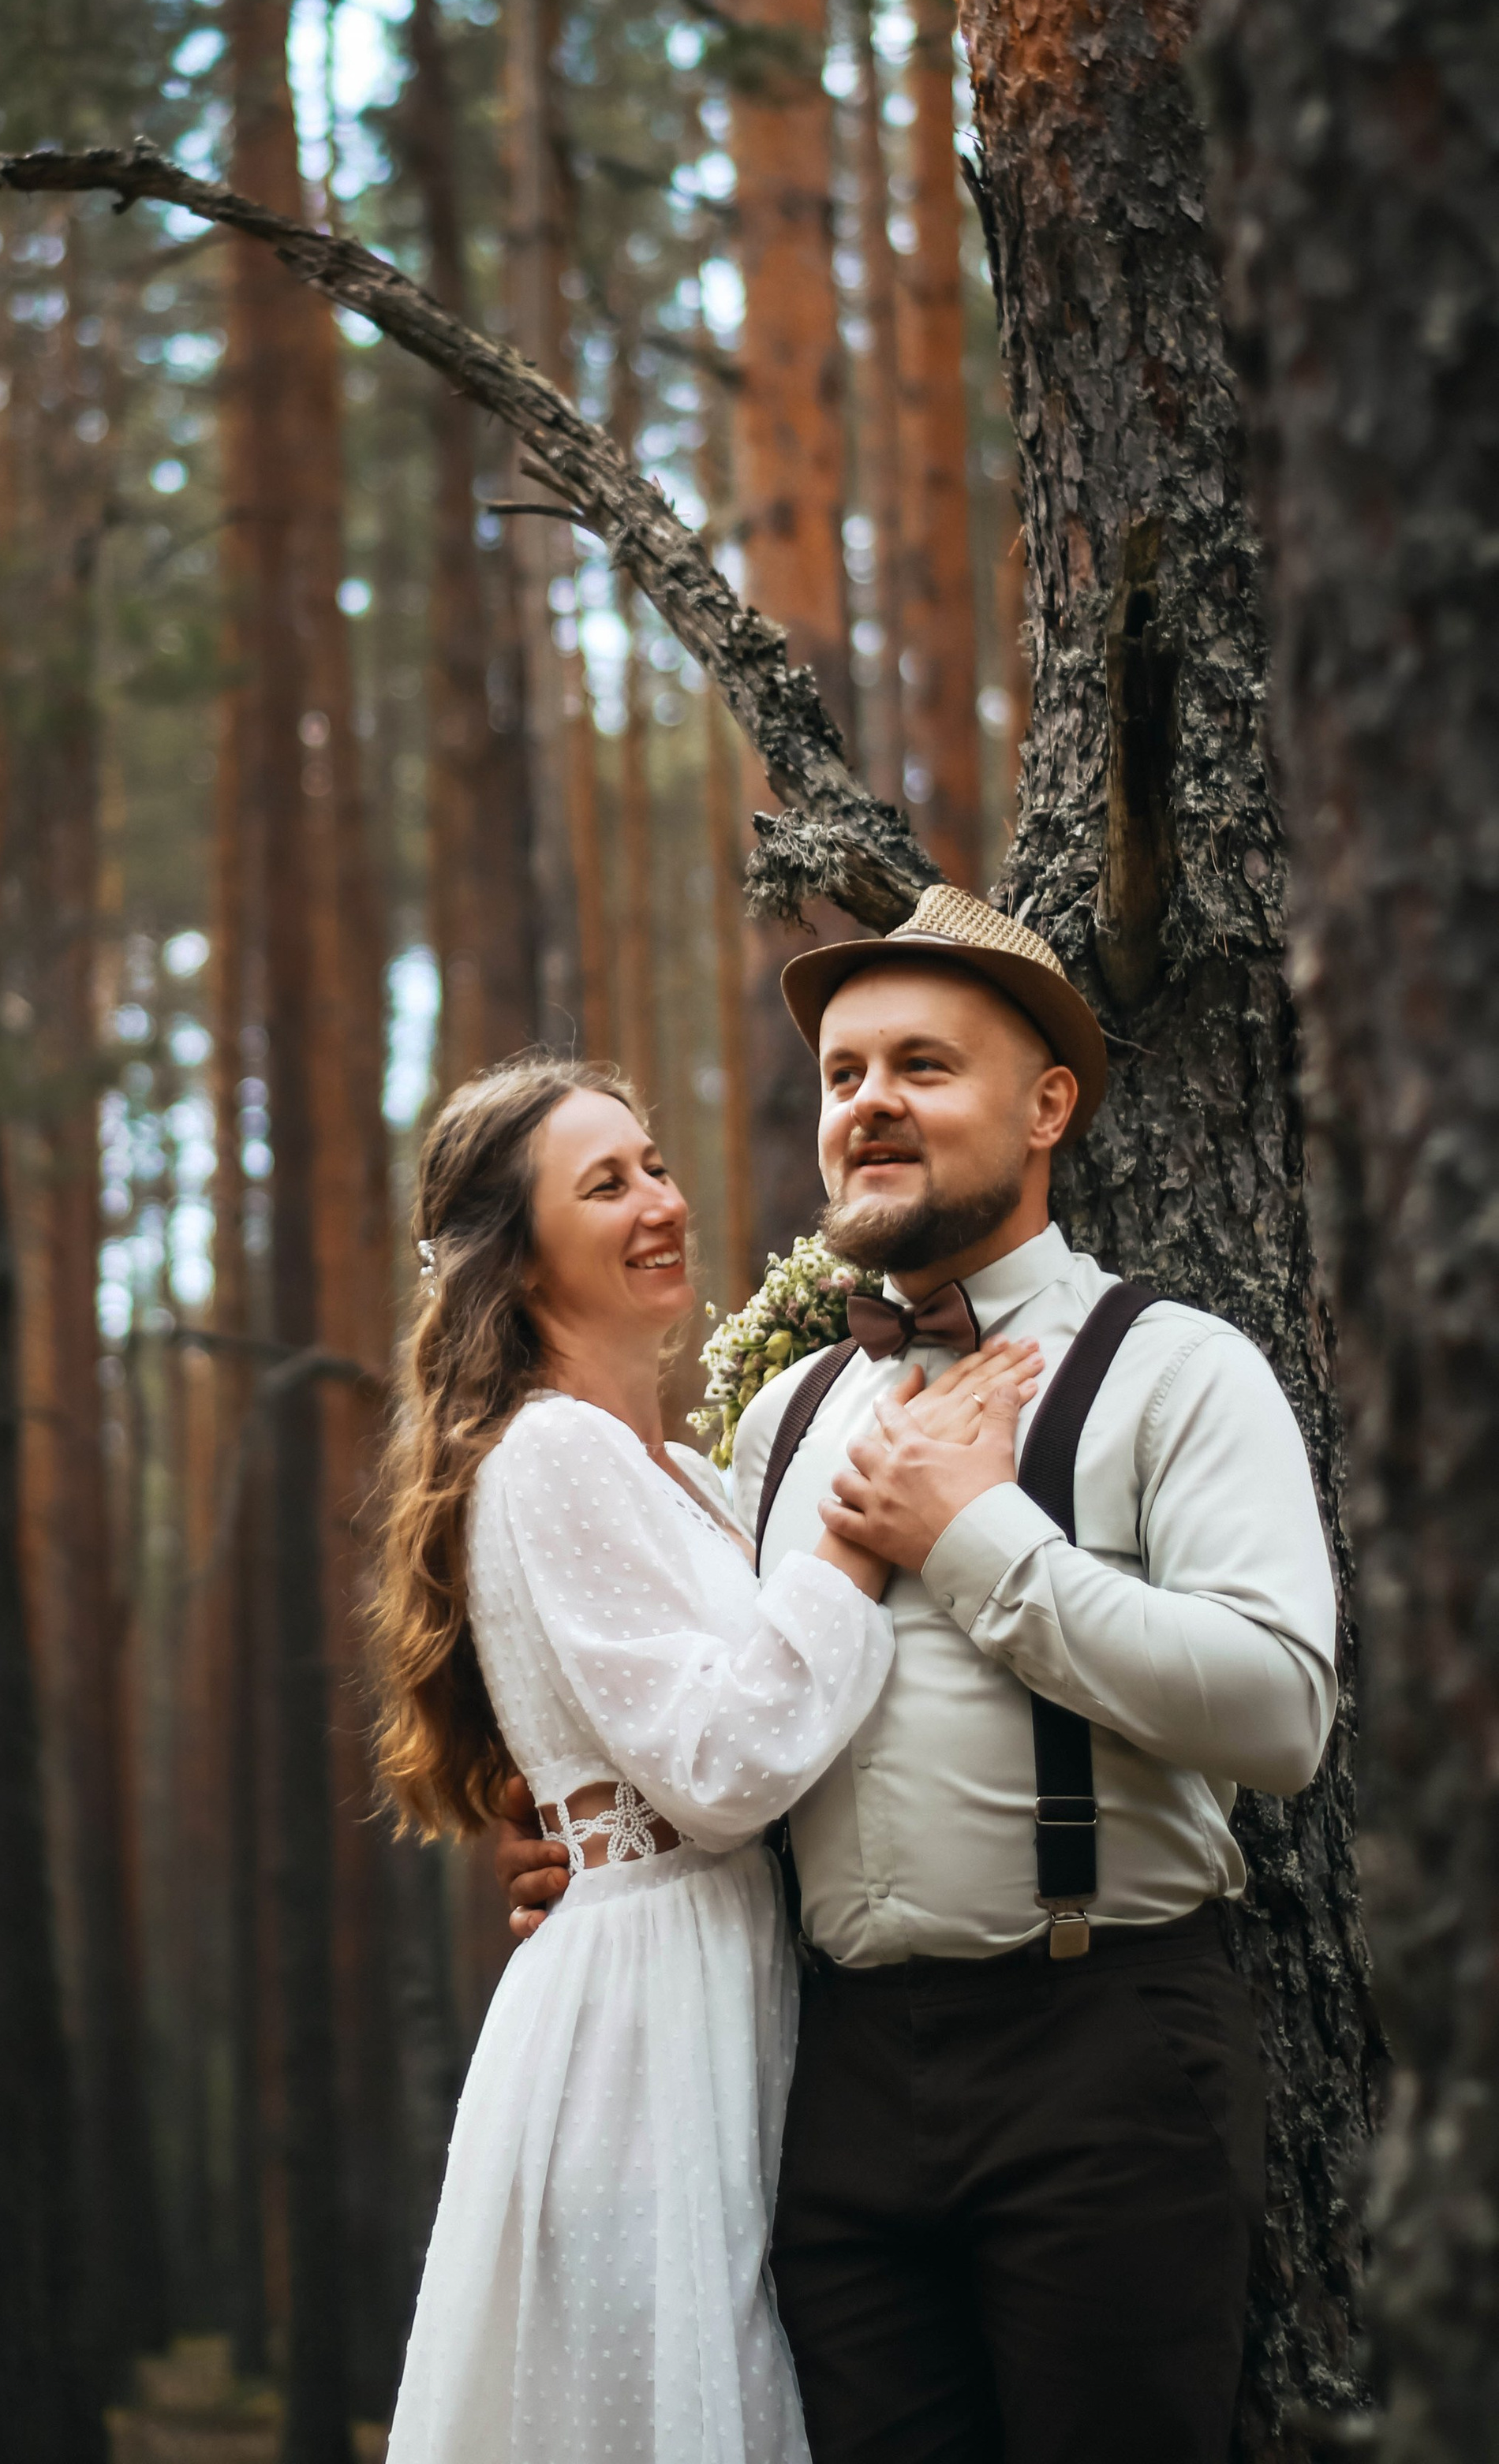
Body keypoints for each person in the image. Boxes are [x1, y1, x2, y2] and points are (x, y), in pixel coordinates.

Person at [499, 887, 1340, 2464]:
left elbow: (1280, 1715)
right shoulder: (778, 1424)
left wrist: (973, 1545)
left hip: (1103, 2055)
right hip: (832, 2086)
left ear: (1043, 1110)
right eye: (840, 1076)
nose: (868, 1104)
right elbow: (738, 1726)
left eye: (919, 1069)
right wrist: (601, 1856)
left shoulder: (1177, 1369)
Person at [370, 1052, 1037, 2464]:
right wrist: (862, 1537)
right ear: (518, 1254)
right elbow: (724, 1764)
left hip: (724, 1971)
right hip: (650, 2024)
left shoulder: (674, 1469)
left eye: (654, 1164)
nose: (657, 1200)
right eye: (603, 1184)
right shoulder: (551, 1452)